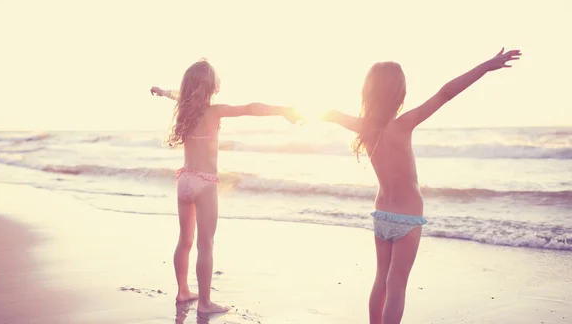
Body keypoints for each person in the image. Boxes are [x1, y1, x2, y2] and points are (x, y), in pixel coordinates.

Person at [321, 48, 521, 323]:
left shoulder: (361, 127)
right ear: (399, 94)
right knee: (397, 285)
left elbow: (327, 113)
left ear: (367, 93)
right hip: (408, 217)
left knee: (381, 280)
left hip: (381, 215)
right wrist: (485, 66)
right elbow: (445, 93)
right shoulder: (404, 124)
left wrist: (294, 114)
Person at [150, 58, 302, 315]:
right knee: (205, 244)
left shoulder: (186, 109)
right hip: (204, 183)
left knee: (185, 241)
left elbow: (176, 95)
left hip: (185, 180)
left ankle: (183, 291)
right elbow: (251, 108)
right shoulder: (214, 111)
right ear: (211, 87)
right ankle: (205, 303)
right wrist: (283, 109)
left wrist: (163, 92)